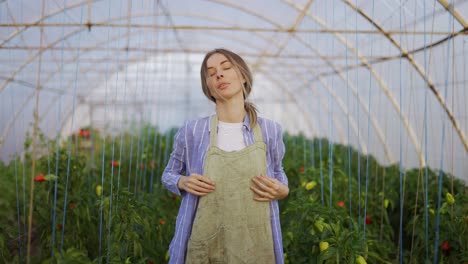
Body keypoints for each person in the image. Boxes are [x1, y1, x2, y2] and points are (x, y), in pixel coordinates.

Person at [162, 48, 289, 264]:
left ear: (243, 77)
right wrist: (182, 181)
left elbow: (278, 171)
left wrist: (283, 189)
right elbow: (169, 174)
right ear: (209, 89)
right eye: (211, 73)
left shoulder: (269, 130)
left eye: (226, 67)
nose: (219, 74)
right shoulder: (193, 131)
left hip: (255, 243)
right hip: (206, 242)